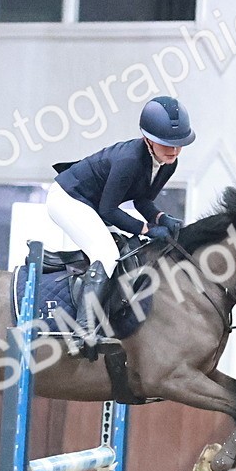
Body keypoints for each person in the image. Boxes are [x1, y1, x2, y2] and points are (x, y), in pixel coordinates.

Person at [46, 95, 196, 357]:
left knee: (127, 251)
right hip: (67, 199)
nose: (173, 151)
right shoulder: (129, 160)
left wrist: (161, 218)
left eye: (178, 144)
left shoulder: (167, 164)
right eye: (166, 144)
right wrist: (147, 229)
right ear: (148, 140)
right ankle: (82, 332)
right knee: (106, 253)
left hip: (93, 204)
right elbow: (109, 210)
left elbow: (143, 200)